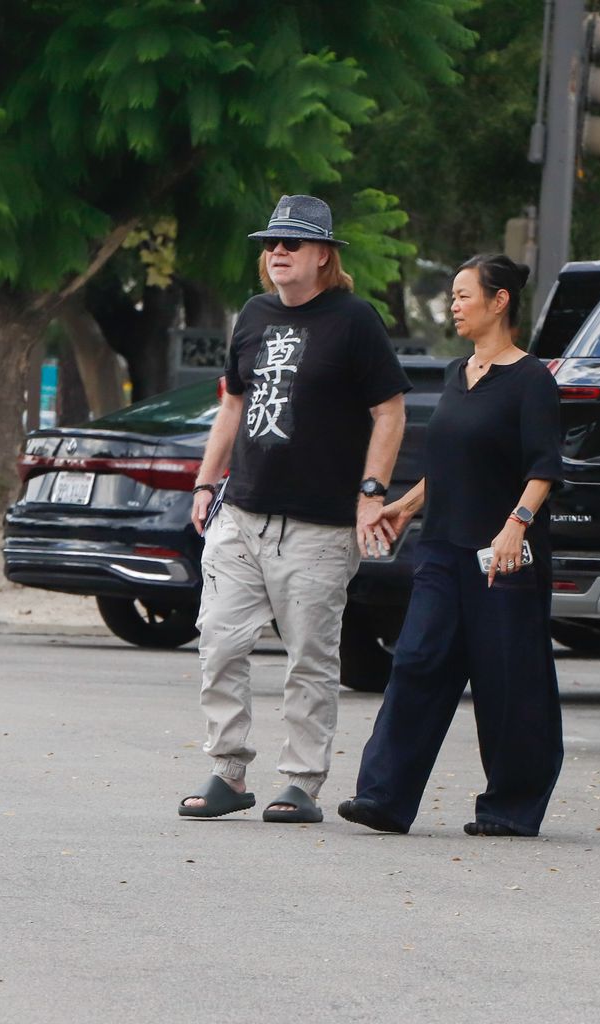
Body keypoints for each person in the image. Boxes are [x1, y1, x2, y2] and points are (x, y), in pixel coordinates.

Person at [179, 194, 410, 823]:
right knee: (219, 642)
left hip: (318, 528)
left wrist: (372, 492)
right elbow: (232, 404)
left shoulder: (354, 321)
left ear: (323, 255)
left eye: (292, 244)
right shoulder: (252, 316)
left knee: (309, 657)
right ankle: (228, 771)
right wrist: (205, 484)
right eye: (271, 244)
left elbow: (389, 411)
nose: (278, 252)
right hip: (242, 514)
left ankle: (302, 783)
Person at [338, 253, 563, 837]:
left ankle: (510, 807)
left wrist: (516, 524)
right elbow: (452, 463)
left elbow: (542, 467)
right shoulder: (458, 375)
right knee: (416, 663)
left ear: (499, 301)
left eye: (464, 294)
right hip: (441, 548)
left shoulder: (531, 379)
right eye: (453, 295)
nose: (454, 304)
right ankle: (383, 798)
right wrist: (405, 506)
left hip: (503, 555)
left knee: (507, 680)